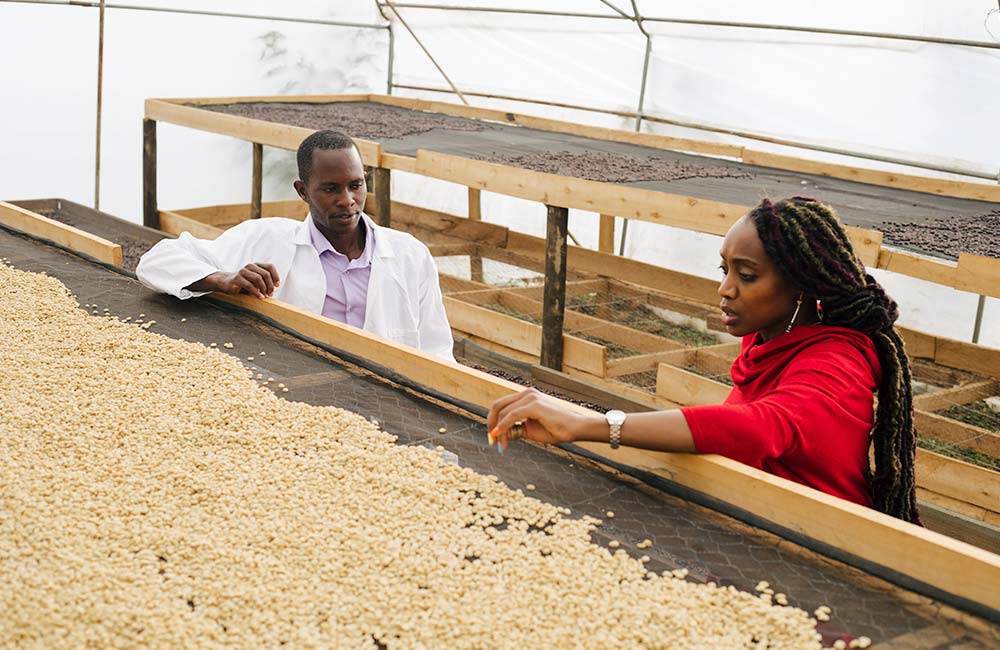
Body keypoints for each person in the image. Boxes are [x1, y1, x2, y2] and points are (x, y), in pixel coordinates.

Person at [487, 197, 921, 524]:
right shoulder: (770, 338)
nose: (726, 289)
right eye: (725, 270)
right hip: (760, 521)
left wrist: (590, 424)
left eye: (746, 275)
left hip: (828, 545)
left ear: (801, 287)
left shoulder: (838, 362)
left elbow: (760, 428)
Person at [137, 130, 455, 361]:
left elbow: (437, 349)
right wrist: (223, 278)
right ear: (302, 191)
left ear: (365, 178)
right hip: (294, 391)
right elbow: (157, 261)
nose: (348, 200)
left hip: (388, 405)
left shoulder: (410, 256)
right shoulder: (266, 238)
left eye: (355, 185)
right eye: (330, 189)